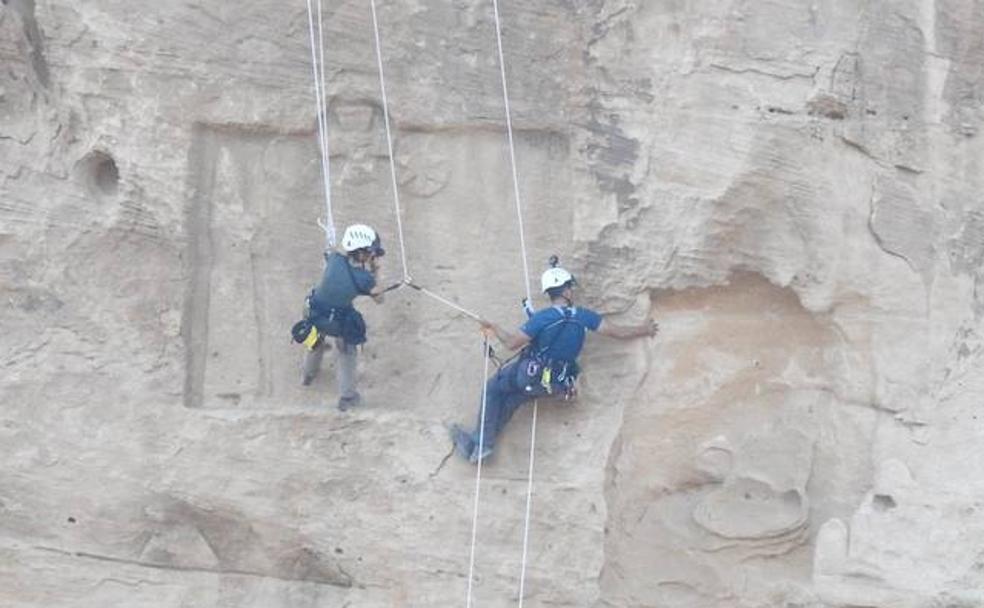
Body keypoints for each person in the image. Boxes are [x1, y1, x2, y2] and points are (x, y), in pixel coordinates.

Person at [450, 265, 659, 463]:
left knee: (493, 390)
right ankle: (482, 444)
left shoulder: (543, 318)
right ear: (566, 292)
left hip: (529, 375)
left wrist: (494, 327)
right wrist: (645, 329)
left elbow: (513, 343)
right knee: (512, 400)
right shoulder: (584, 317)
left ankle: (482, 444)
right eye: (570, 287)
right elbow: (619, 332)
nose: (572, 291)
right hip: (555, 383)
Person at [300, 223, 387, 410]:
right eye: (370, 252)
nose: (372, 255)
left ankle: (308, 374)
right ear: (361, 252)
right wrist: (376, 270)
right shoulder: (364, 279)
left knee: (315, 341)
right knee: (348, 351)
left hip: (313, 310)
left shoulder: (334, 258)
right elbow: (380, 298)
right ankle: (347, 397)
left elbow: (337, 249)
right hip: (336, 321)